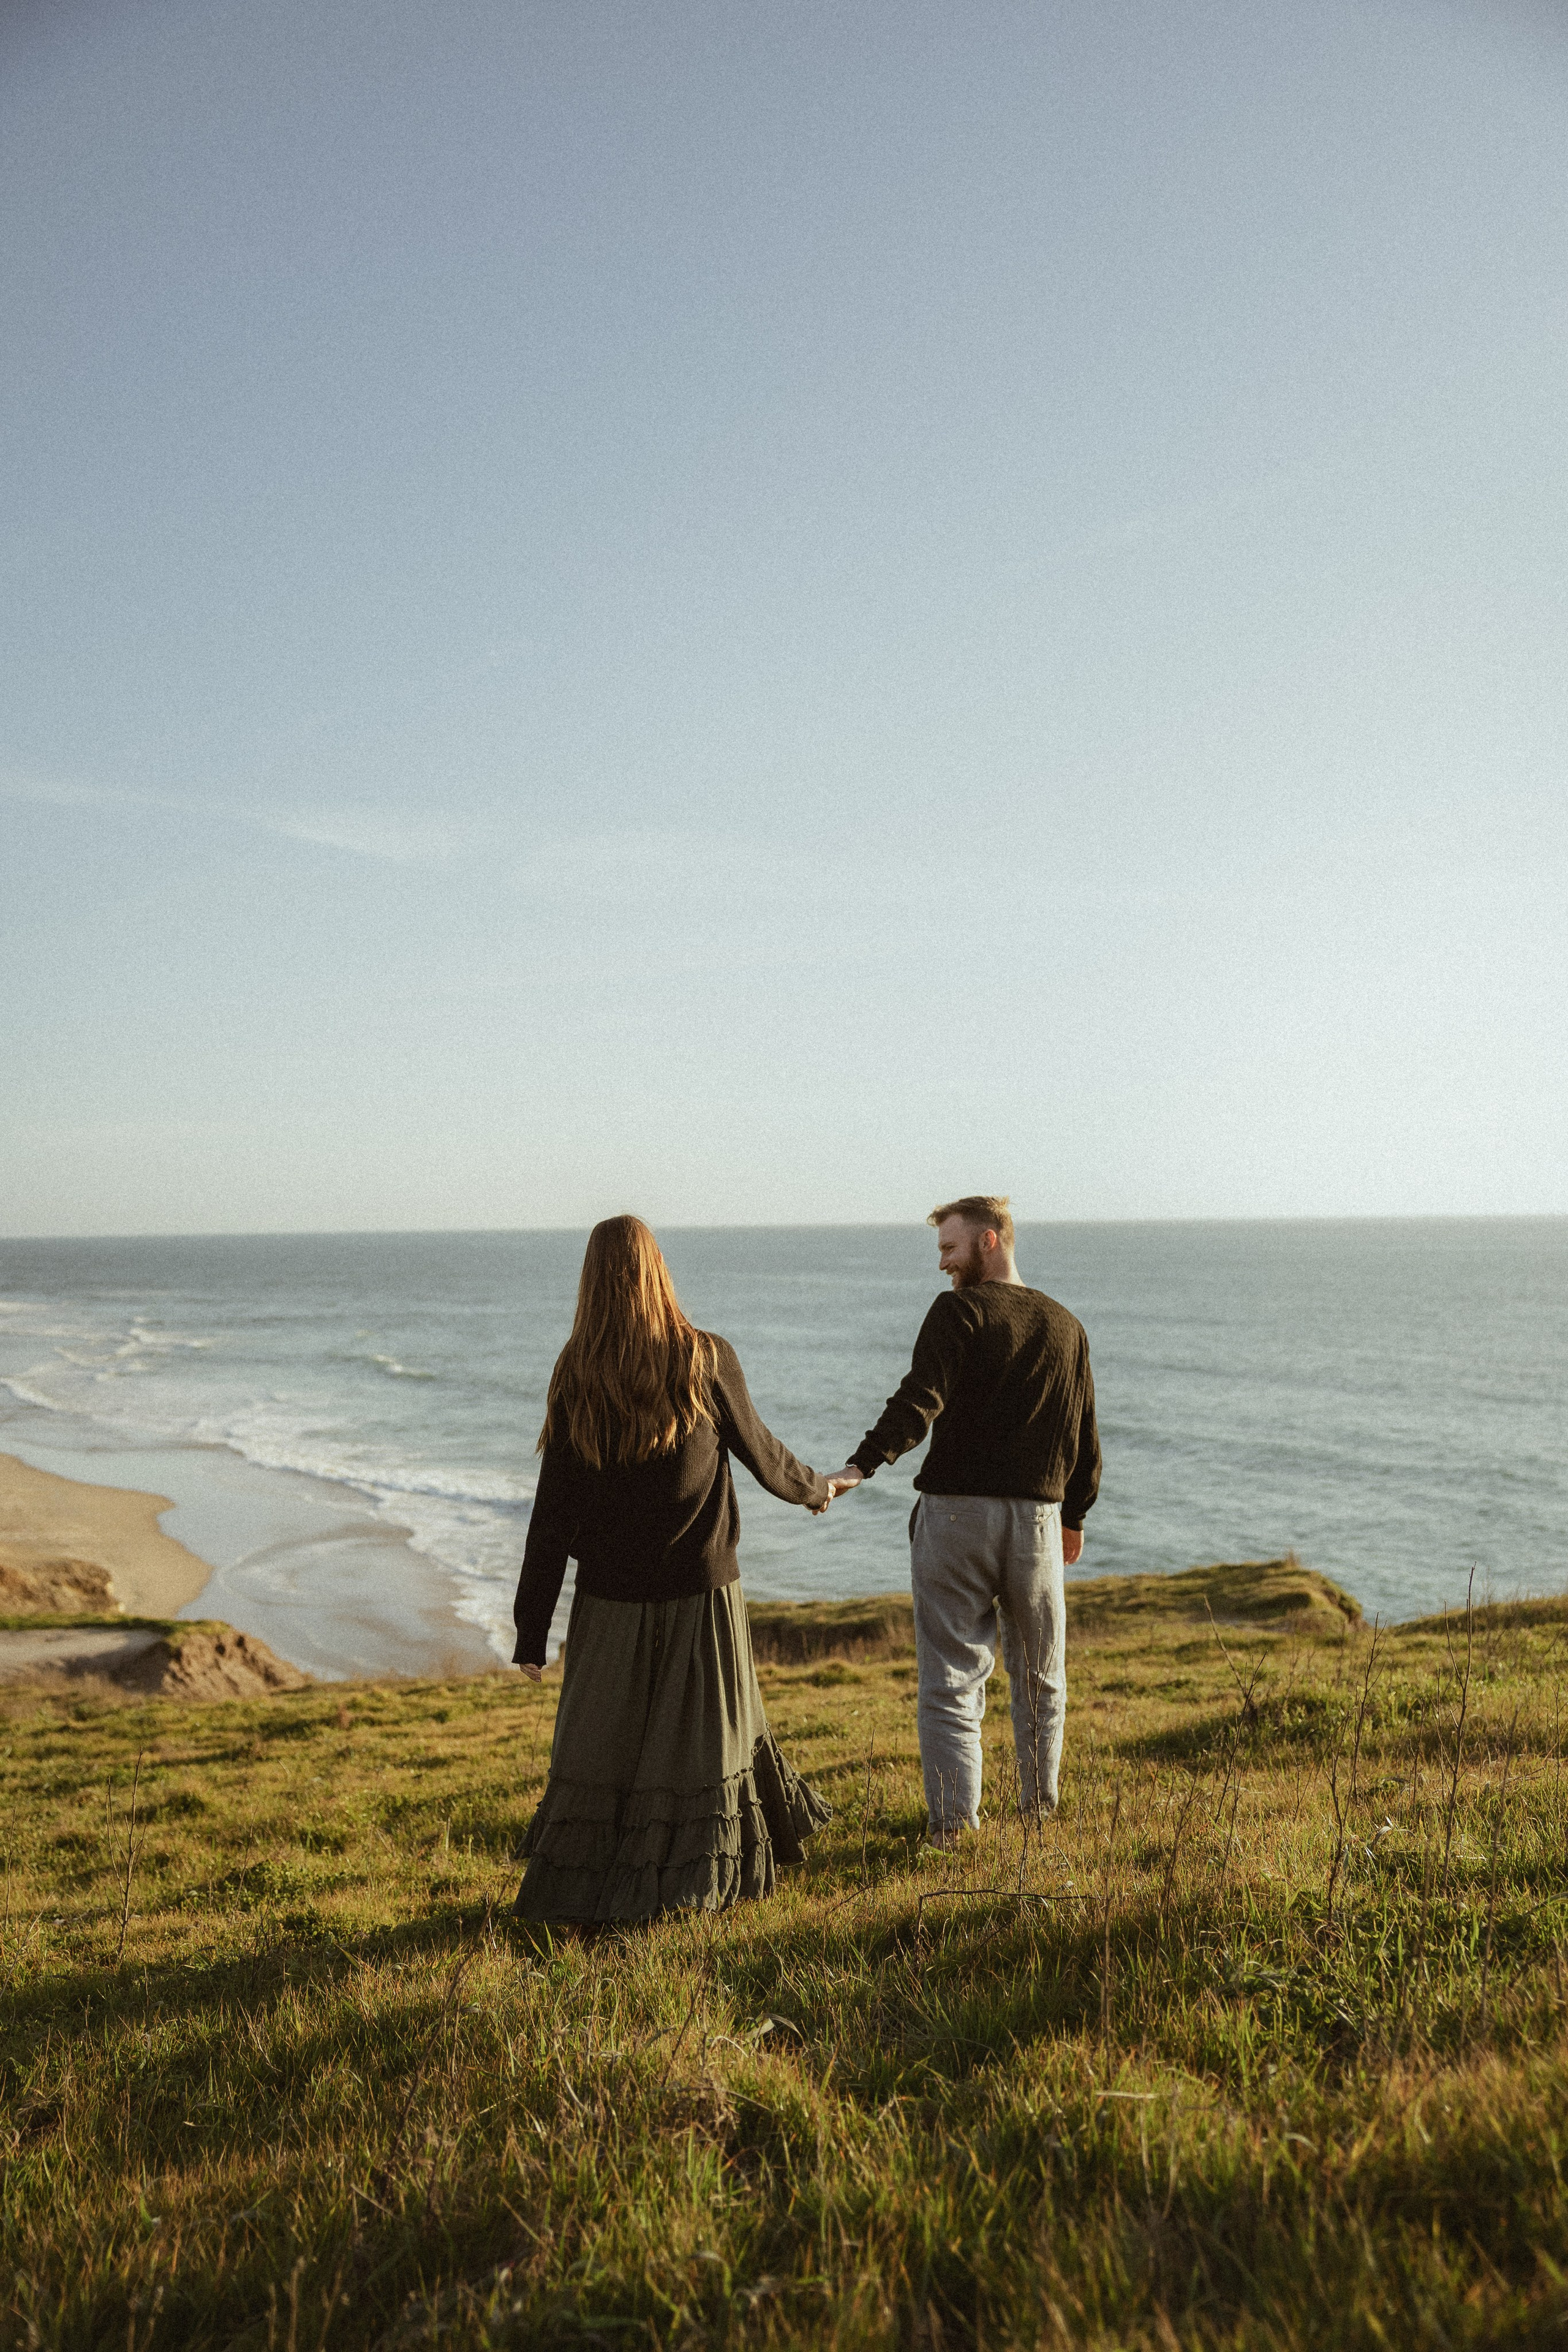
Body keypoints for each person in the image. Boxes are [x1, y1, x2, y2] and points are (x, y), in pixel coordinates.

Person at [511, 1214, 840, 1923]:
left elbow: (552, 1515)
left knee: (609, 1754)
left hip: (609, 1603)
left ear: (591, 1283)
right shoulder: (703, 1358)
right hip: (702, 1596)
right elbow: (761, 1451)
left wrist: (531, 1631)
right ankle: (694, 1891)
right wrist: (817, 1489)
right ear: (658, 1269)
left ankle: (591, 1896)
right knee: (698, 1752)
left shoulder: (577, 1373)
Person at [832, 1195, 1099, 1845]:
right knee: (1041, 1675)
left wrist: (859, 1467)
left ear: (988, 1240)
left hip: (955, 1518)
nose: (943, 1266)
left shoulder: (960, 1311)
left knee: (952, 1679)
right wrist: (1075, 1515)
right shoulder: (1066, 1325)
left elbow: (920, 1399)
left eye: (949, 1250)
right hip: (1037, 1520)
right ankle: (1039, 1815)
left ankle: (953, 1831)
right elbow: (1083, 1435)